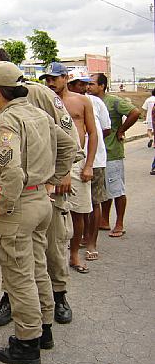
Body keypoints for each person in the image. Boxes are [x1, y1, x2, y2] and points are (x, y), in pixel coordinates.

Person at [0, 61, 75, 364]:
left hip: (18, 206)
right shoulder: (39, 113)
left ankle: (27, 342)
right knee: (37, 268)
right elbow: (69, 145)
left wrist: (2, 205)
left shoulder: (8, 120)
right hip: (40, 202)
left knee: (18, 277)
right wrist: (54, 179)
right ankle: (44, 329)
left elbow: (12, 171)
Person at [40, 62, 97, 274]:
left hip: (77, 163)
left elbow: (92, 133)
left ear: (65, 77)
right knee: (54, 214)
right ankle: (53, 259)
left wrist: (89, 164)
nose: (50, 83)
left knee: (79, 211)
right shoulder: (43, 102)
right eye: (47, 79)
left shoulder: (81, 101)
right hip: (51, 165)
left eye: (54, 78)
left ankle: (74, 254)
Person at [88, 73, 140, 237]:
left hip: (112, 152)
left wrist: (121, 130)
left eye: (92, 84)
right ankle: (104, 220)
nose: (88, 87)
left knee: (116, 189)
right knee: (103, 189)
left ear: (102, 86)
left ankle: (119, 223)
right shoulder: (89, 101)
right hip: (98, 154)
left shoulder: (113, 101)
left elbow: (135, 112)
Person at [67, 71, 111, 261]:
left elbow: (103, 129)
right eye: (79, 83)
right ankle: (81, 238)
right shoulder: (61, 102)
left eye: (86, 83)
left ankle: (92, 242)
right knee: (78, 206)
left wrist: (90, 162)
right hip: (72, 161)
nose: (84, 87)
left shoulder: (93, 102)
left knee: (94, 202)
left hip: (94, 159)